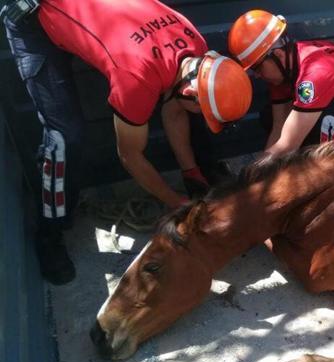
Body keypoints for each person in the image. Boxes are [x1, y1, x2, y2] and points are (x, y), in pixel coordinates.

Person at [2, 0, 252, 285]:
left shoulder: (195, 43)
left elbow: (176, 109)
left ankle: (201, 171)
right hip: (35, 15)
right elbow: (130, 155)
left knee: (192, 111)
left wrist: (190, 173)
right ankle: (49, 232)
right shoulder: (135, 77)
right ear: (189, 88)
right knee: (64, 137)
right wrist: (177, 203)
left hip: (97, 19)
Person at [227, 9, 334, 159]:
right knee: (269, 117)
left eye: (256, 68)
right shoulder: (284, 67)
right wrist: (260, 172)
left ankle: (332, 173)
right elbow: (279, 125)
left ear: (277, 55)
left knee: (316, 124)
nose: (256, 76)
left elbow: (287, 144)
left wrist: (253, 181)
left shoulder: (315, 74)